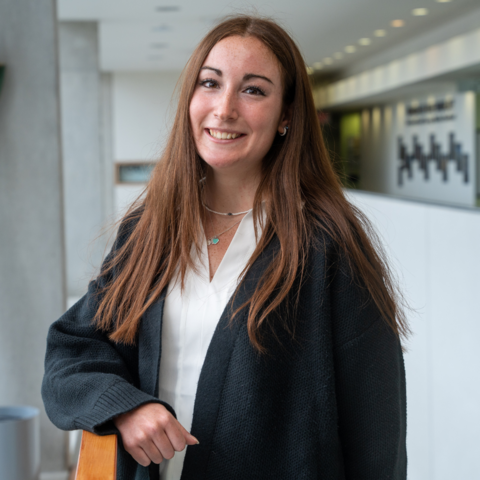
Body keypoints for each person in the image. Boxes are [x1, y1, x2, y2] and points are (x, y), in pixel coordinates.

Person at [42, 15, 408, 480]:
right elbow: (72, 350)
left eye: (253, 90)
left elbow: (377, 433)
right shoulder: (151, 229)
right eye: (210, 83)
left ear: (287, 116)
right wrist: (125, 408)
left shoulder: (327, 244)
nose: (224, 108)